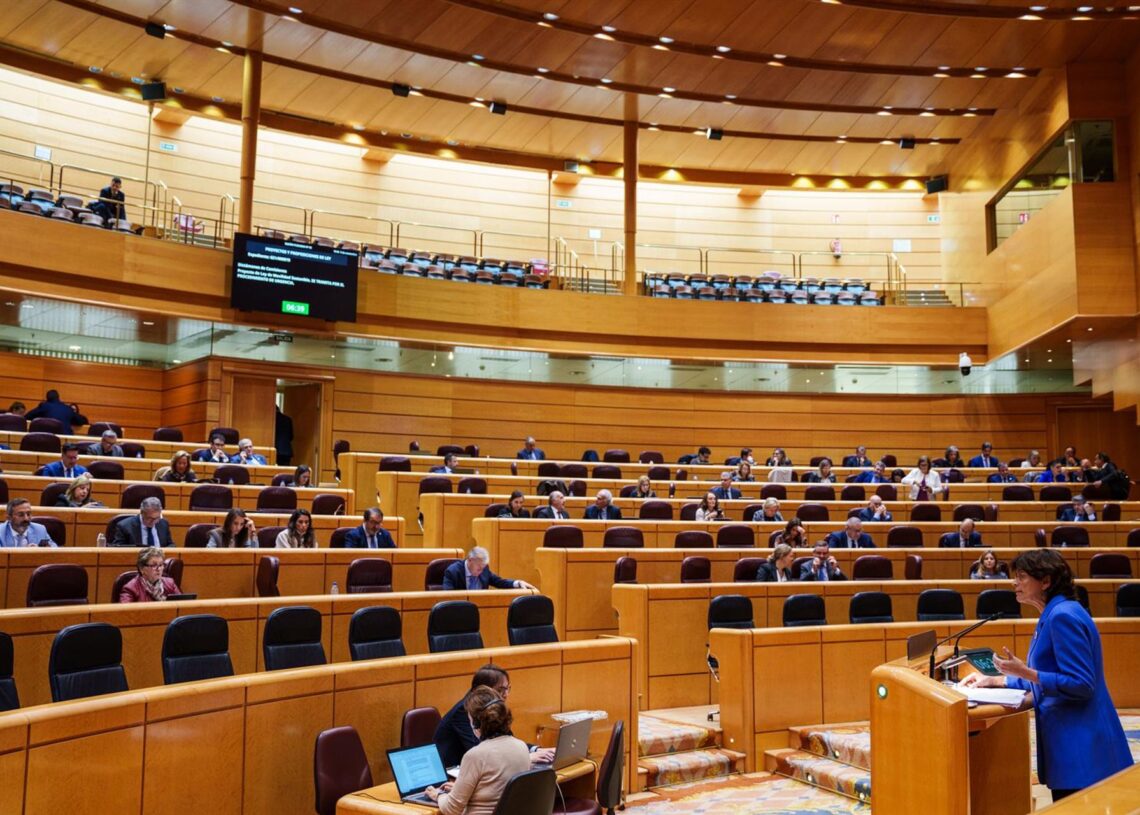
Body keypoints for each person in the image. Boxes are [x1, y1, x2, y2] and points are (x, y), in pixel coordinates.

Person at [961, 549, 1133, 801]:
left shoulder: (1062, 617)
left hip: (1082, 750)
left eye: (1021, 577)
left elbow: (1081, 683)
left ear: (1045, 581)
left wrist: (1026, 672)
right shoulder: (1054, 613)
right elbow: (1050, 674)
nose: (1014, 583)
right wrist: (997, 680)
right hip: (1074, 747)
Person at [432, 664, 555, 770]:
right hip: (453, 774)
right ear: (483, 690)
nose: (505, 695)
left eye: (507, 689)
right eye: (501, 690)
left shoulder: (494, 708)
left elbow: (507, 740)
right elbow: (480, 752)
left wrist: (535, 750)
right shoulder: (463, 712)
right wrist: (525, 757)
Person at [442, 547, 535, 590]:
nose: (481, 571)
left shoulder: (484, 569)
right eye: (479, 568)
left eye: (483, 568)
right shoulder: (453, 572)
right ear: (470, 560)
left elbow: (499, 582)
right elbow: (448, 597)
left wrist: (518, 583)